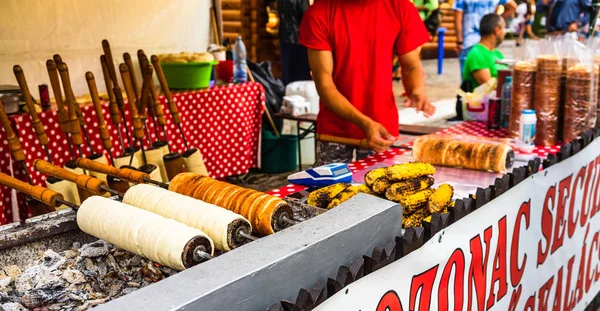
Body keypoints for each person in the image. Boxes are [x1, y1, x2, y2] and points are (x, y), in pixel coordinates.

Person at [298, 0, 436, 165]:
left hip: (382, 128)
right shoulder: (319, 12)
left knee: (379, 189)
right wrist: (365, 123)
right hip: (334, 130)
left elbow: (411, 66)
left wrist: (417, 91)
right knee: (328, 190)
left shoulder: (400, 7)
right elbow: (325, 84)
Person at [453, 0, 517, 79]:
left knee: (468, 84)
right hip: (488, 41)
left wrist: (459, 41)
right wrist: (496, 22)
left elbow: (458, 19)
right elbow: (513, 6)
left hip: (469, 41)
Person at [463, 14, 508, 87]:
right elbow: (489, 87)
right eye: (503, 28)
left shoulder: (497, 54)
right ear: (497, 30)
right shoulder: (477, 54)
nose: (505, 32)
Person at [277, 0, 312, 85]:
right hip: (299, 40)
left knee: (288, 74)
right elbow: (306, 14)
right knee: (302, 76)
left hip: (285, 38)